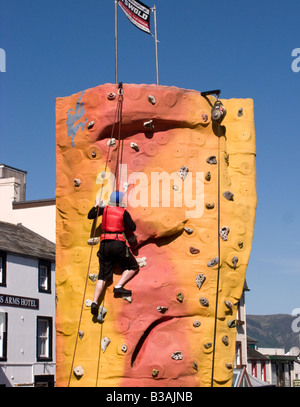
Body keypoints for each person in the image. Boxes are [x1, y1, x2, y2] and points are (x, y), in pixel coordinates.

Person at [88, 190, 139, 315]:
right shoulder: (123, 212)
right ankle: (118, 286)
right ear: (120, 201)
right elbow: (132, 227)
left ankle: (95, 301)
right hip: (118, 243)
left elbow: (90, 215)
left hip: (105, 244)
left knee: (103, 276)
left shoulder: (104, 209)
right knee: (133, 266)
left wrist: (96, 206)